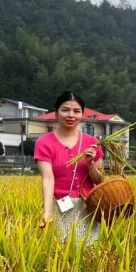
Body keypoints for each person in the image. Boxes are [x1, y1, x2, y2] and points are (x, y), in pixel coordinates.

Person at [34, 91, 104, 243]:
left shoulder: (92, 143)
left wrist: (90, 162)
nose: (71, 115)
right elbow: (48, 179)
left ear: (82, 115)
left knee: (87, 254)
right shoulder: (44, 143)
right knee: (58, 255)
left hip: (88, 208)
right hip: (59, 206)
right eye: (65, 110)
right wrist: (47, 212)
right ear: (56, 112)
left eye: (76, 111)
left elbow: (99, 180)